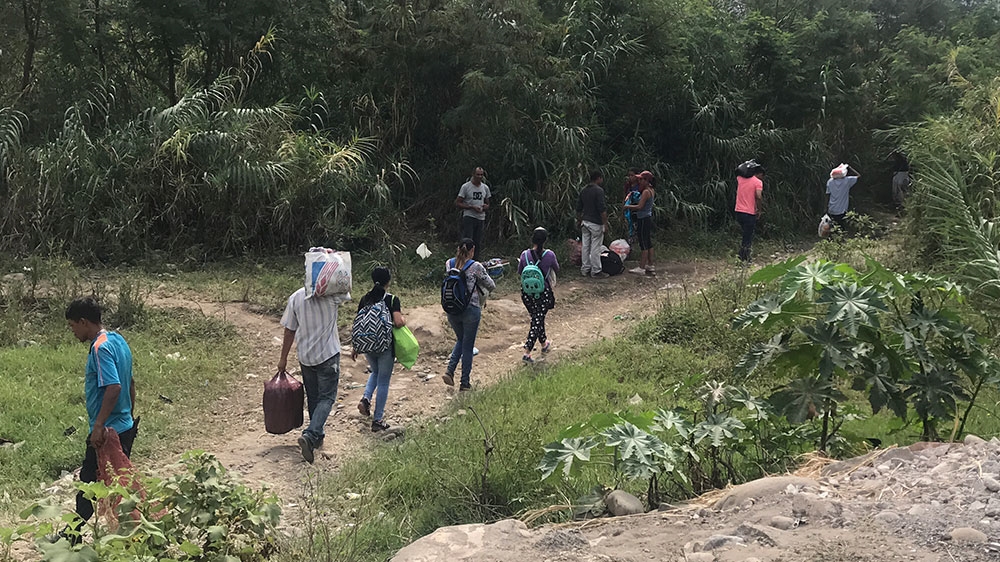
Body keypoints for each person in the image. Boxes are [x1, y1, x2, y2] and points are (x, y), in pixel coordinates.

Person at [64, 297, 137, 542]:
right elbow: (131, 383)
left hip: (107, 432)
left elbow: (114, 387)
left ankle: (71, 537)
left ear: (84, 322)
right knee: (119, 483)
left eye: (73, 325)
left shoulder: (100, 348)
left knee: (88, 485)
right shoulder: (119, 341)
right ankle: (131, 533)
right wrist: (128, 417)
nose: (73, 331)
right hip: (124, 427)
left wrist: (99, 426)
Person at [277, 278, 348, 463]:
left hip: (306, 357)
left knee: (314, 396)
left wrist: (283, 358)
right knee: (327, 397)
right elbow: (346, 290)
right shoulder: (331, 296)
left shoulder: (296, 297)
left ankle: (318, 435)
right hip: (328, 356)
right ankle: (310, 435)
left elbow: (289, 330)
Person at [353, 267, 406, 432]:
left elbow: (358, 323)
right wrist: (403, 321)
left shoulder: (364, 299)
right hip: (384, 346)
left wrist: (356, 347)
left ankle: (366, 399)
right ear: (388, 281)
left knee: (375, 372)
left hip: (367, 345)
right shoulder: (391, 300)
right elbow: (398, 322)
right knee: (383, 381)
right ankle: (378, 419)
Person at [443, 238, 496, 390]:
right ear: (472, 251)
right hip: (471, 309)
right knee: (467, 345)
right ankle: (464, 383)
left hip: (452, 309)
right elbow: (491, 285)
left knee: (461, 339)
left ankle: (450, 371)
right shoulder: (476, 266)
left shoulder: (449, 264)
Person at [517, 227, 560, 363]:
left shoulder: (524, 255)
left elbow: (520, 271)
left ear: (532, 239)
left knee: (537, 318)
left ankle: (544, 343)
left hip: (527, 294)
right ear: (545, 240)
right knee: (537, 320)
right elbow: (557, 268)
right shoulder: (550, 255)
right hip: (543, 293)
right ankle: (527, 352)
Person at [576, 169, 610, 278]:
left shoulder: (583, 190)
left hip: (585, 222)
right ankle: (596, 270)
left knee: (585, 246)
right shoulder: (599, 191)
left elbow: (578, 208)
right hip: (595, 222)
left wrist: (579, 220)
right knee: (595, 247)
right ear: (598, 178)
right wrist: (605, 223)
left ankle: (585, 269)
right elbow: (602, 209)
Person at [624, 170, 656, 276]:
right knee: (648, 242)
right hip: (648, 217)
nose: (639, 181)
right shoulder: (651, 190)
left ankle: (642, 267)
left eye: (641, 179)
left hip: (642, 218)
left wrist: (627, 206)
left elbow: (639, 206)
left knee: (643, 243)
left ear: (646, 180)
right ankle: (650, 264)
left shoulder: (646, 192)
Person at [455, 166, 491, 261]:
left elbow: (488, 203)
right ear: (473, 174)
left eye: (481, 175)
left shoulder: (485, 188)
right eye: (477, 174)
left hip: (480, 218)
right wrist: (471, 207)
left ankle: (475, 261)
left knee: (477, 242)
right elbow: (458, 202)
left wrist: (485, 207)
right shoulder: (466, 187)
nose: (479, 176)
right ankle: (463, 259)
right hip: (469, 216)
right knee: (467, 240)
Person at [734, 160, 765, 262]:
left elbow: (739, 171)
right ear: (759, 173)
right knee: (748, 235)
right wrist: (759, 210)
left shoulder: (741, 179)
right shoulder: (758, 182)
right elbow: (759, 196)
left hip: (738, 211)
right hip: (749, 212)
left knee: (745, 234)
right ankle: (744, 257)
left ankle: (742, 255)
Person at [826, 163, 861, 229]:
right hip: (842, 210)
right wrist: (849, 168)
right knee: (841, 227)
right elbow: (858, 176)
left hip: (831, 208)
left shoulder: (830, 182)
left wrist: (826, 208)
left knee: (832, 228)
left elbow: (827, 195)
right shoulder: (847, 181)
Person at [623, 168, 642, 244]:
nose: (630, 177)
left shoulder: (640, 186)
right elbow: (624, 198)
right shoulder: (628, 186)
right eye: (629, 175)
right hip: (629, 211)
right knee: (630, 230)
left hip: (638, 211)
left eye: (632, 175)